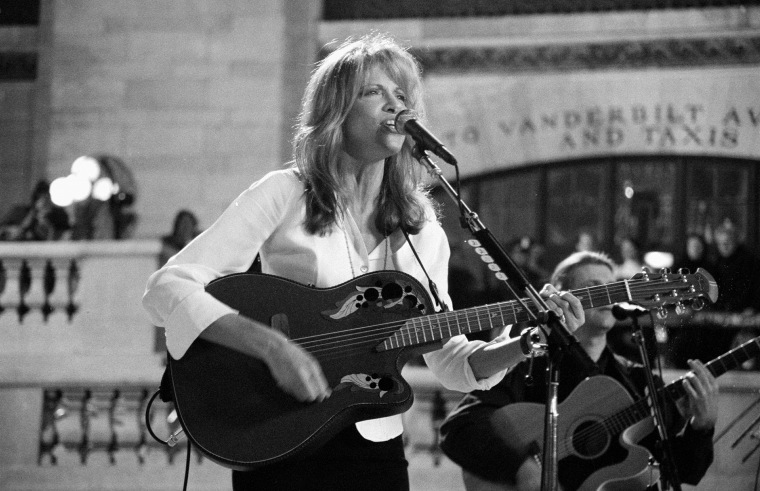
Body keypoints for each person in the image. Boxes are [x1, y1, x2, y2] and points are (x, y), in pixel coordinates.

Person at [142, 34, 584, 491]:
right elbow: (168, 286)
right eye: (376, 92)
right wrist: (272, 348)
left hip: (376, 446)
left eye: (402, 95)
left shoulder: (421, 228)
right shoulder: (285, 193)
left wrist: (525, 342)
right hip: (281, 431)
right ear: (337, 111)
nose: (397, 106)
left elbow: (449, 359)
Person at [440, 251, 718, 491]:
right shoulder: (527, 365)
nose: (609, 295)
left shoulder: (637, 379)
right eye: (594, 287)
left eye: (612, 287)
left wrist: (701, 428)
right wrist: (521, 467)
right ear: (561, 296)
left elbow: (684, 472)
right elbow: (458, 429)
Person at [0, 180, 71, 241]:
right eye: (41, 197)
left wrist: (48, 230)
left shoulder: (59, 215)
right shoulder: (20, 212)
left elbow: (66, 235)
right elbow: (4, 229)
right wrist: (17, 229)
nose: (44, 202)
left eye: (47, 198)